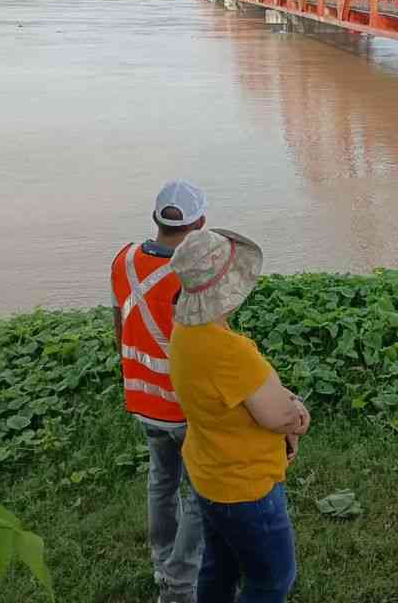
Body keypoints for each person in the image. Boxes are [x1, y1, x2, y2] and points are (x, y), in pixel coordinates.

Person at [168, 228, 310, 603]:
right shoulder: (230, 352)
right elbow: (278, 416)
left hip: (209, 474)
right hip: (244, 485)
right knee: (272, 579)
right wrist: (296, 414)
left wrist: (283, 405)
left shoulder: (184, 333)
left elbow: (246, 398)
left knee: (221, 566)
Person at [110, 180, 207, 603]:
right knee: (202, 494)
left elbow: (119, 329)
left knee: (161, 482)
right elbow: (211, 348)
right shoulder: (195, 272)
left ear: (156, 219)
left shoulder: (123, 260)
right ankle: (179, 582)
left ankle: (161, 562)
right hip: (186, 407)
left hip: (142, 399)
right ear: (200, 223)